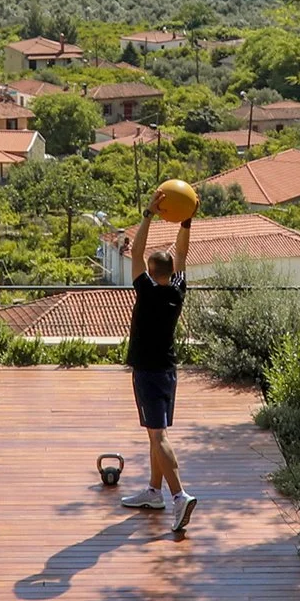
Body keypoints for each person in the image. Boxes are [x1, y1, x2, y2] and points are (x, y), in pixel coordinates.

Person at [120, 188, 196, 534]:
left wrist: (149, 214)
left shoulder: (146, 290)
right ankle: (154, 492)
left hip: (148, 372)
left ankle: (179, 496)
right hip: (168, 370)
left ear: (150, 270)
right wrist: (186, 222)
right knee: (154, 434)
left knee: (158, 435)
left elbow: (135, 250)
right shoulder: (177, 289)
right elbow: (182, 253)